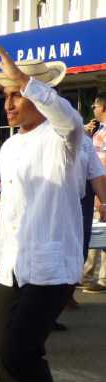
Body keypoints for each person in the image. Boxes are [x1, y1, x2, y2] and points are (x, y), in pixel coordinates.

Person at [0, 39, 83, 382]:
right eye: (6, 95)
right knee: (4, 357)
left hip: (51, 265)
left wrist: (27, 81)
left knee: (18, 350)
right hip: (12, 265)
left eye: (17, 94)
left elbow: (70, 121)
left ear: (37, 95)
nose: (9, 104)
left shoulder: (62, 138)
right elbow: (9, 213)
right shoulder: (8, 146)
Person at [81, 92, 106, 292]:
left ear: (102, 107)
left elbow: (102, 164)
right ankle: (88, 276)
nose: (93, 110)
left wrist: (101, 196)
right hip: (96, 190)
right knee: (94, 233)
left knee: (101, 234)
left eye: (95, 107)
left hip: (101, 190)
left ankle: (100, 279)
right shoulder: (98, 131)